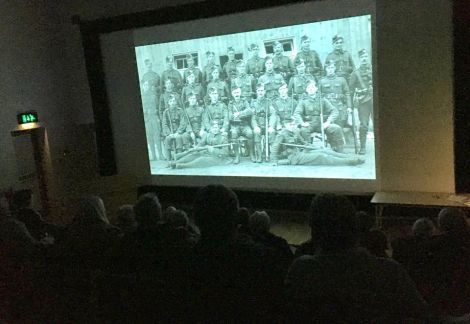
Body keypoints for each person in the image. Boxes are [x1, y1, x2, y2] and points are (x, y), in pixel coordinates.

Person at [285, 193, 430, 323]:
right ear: (354, 227)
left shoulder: (302, 271)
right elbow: (421, 313)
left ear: (314, 230)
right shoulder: (390, 272)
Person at [271, 117, 364, 166]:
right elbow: (275, 148)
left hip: (303, 151)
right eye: (290, 124)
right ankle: (349, 162)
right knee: (321, 156)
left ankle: (349, 157)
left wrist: (314, 147)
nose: (292, 126)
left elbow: (304, 143)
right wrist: (274, 161)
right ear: (284, 125)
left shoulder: (295, 131)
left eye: (293, 124)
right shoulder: (282, 134)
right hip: (295, 157)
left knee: (324, 150)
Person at [293, 78, 345, 152]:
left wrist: (328, 122)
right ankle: (309, 150)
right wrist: (302, 123)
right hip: (309, 124)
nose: (311, 89)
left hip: (322, 124)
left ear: (316, 89)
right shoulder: (303, 101)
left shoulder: (322, 100)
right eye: (309, 87)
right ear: (306, 90)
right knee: (303, 130)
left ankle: (338, 150)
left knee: (336, 128)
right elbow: (297, 113)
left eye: (312, 87)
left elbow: (334, 111)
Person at [319, 59, 354, 145]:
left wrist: (349, 107)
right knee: (330, 128)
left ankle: (340, 144)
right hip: (327, 110)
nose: (330, 70)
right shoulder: (322, 81)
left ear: (335, 68)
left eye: (332, 67)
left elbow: (347, 93)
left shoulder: (341, 80)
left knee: (339, 127)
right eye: (328, 68)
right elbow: (319, 96)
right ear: (325, 69)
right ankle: (333, 144)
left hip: (339, 108)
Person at [349, 49, 373, 155]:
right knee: (363, 125)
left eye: (366, 56)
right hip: (363, 102)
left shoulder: (374, 69)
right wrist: (350, 105)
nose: (364, 58)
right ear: (359, 59)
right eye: (362, 57)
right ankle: (363, 147)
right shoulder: (356, 73)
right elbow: (350, 90)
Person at [228, 86, 255, 163]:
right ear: (232, 94)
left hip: (245, 124)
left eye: (238, 92)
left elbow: (249, 111)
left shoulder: (244, 101)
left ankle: (251, 154)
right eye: (235, 93)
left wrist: (239, 113)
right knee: (233, 134)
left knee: (250, 133)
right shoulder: (230, 104)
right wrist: (242, 115)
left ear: (240, 93)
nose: (236, 94)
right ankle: (237, 156)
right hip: (235, 125)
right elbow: (230, 116)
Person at [251, 83, 276, 162]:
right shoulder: (253, 102)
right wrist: (255, 126)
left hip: (267, 124)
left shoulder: (269, 102)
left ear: (265, 91)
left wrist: (271, 126)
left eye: (262, 90)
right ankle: (259, 155)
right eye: (259, 91)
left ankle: (270, 154)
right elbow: (253, 116)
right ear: (256, 92)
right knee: (256, 132)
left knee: (271, 132)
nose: (260, 92)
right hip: (258, 124)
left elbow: (273, 114)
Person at [162, 94, 187, 163]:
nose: (173, 103)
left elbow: (183, 122)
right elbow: (164, 124)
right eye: (171, 101)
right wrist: (169, 133)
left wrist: (178, 132)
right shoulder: (166, 112)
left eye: (174, 101)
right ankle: (169, 160)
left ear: (176, 102)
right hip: (170, 132)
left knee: (178, 138)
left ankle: (179, 159)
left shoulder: (180, 111)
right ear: (169, 103)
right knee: (167, 140)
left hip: (178, 131)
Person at [141, 79, 162, 160]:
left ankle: (160, 154)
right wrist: (145, 111)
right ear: (142, 87)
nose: (146, 87)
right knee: (150, 137)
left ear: (149, 86)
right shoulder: (141, 96)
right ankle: (153, 155)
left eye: (147, 85)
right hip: (146, 119)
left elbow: (158, 107)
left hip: (154, 117)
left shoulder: (153, 95)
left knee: (157, 136)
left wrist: (157, 117)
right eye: (144, 85)